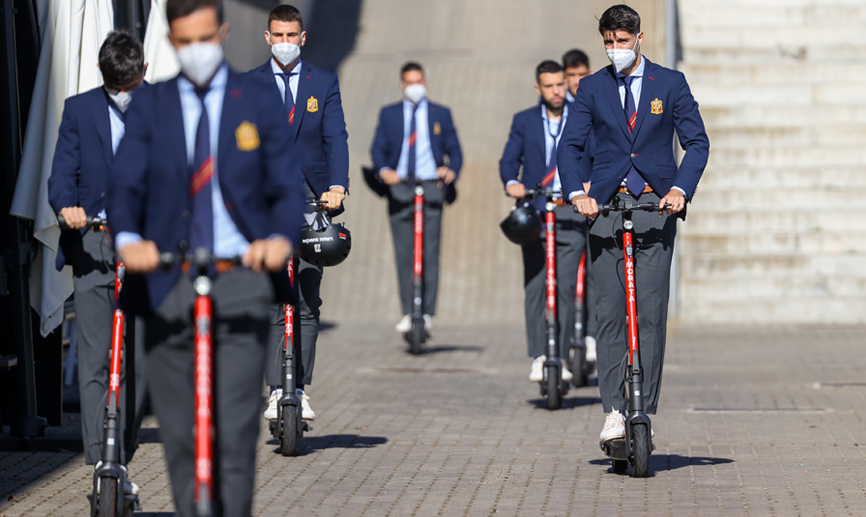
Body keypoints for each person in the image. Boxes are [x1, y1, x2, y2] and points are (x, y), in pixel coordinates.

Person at [107, 0, 305, 514]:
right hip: (166, 281)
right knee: (179, 434)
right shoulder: (152, 105)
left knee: (234, 432)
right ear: (171, 43)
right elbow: (125, 185)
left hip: (239, 277)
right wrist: (128, 237)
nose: (196, 50)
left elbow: (286, 186)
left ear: (223, 32)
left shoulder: (256, 99)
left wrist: (279, 238)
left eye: (204, 38)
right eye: (185, 42)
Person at [558, 4, 709, 443]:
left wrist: (679, 190)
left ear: (639, 38)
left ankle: (643, 406)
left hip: (655, 207)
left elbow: (697, 143)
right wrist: (577, 193)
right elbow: (569, 146)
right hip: (605, 207)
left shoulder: (671, 83)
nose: (615, 48)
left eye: (622, 41)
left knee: (650, 313)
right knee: (609, 313)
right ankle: (612, 410)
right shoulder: (592, 87)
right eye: (608, 41)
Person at [47, 29, 148, 495]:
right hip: (94, 243)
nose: (122, 95)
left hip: (145, 246)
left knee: (138, 359)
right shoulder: (79, 109)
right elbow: (61, 174)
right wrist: (66, 206)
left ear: (144, 71)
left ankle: (123, 449)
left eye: (129, 87)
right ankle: (99, 457)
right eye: (114, 88)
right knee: (94, 356)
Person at [242, 4, 349, 425]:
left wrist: (336, 186)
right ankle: (275, 390)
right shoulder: (248, 84)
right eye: (279, 36)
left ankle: (299, 388)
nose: (285, 43)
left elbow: (335, 137)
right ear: (267, 37)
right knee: (273, 298)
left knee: (306, 298)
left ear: (302, 38)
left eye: (292, 36)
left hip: (312, 201)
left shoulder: (323, 82)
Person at [499, 60, 586, 383]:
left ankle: (560, 356)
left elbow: (596, 155)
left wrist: (591, 183)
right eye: (549, 86)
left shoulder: (582, 116)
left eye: (560, 84)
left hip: (570, 211)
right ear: (539, 88)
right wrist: (512, 182)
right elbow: (509, 159)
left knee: (565, 287)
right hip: (535, 210)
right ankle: (538, 355)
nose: (556, 91)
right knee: (536, 285)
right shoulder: (524, 120)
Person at [370, 62, 462, 333]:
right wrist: (384, 171)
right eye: (410, 83)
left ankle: (427, 312)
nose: (415, 87)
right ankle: (408, 311)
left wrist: (450, 169)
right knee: (404, 253)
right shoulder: (389, 114)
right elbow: (377, 149)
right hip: (399, 188)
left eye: (419, 81)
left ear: (426, 82)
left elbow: (455, 150)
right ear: (402, 85)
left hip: (431, 187)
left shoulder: (440, 113)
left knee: (430, 252)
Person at [562, 48, 598, 364]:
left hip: (595, 196)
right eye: (571, 76)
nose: (576, 81)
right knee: (567, 273)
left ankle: (592, 335)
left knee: (595, 272)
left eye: (581, 75)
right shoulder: (556, 108)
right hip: (567, 200)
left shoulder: (595, 103)